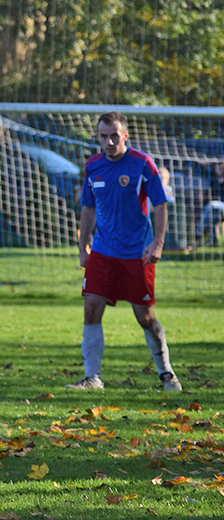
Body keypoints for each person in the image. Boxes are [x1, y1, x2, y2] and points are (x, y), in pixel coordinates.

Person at [66, 111, 182, 392]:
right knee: (91, 307)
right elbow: (88, 209)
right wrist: (83, 247)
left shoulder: (143, 165)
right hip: (104, 251)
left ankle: (166, 373)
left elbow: (160, 205)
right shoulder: (93, 166)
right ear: (97, 137)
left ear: (125, 135)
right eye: (103, 136)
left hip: (137, 253)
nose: (109, 142)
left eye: (114, 136)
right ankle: (92, 377)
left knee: (145, 316)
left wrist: (157, 243)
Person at [194, 158, 224, 246]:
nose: (219, 169)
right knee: (212, 214)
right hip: (216, 209)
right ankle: (213, 241)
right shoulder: (214, 180)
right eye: (218, 167)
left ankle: (198, 232)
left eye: (221, 167)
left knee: (211, 205)